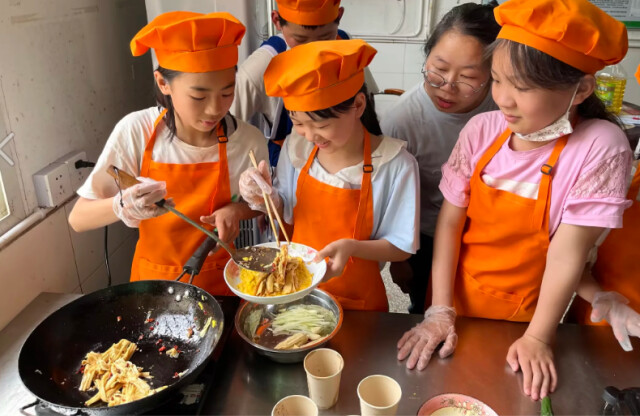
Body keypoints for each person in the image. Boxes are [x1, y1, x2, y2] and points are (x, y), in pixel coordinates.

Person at [396, 0, 632, 401]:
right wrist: (439, 310)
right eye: (498, 81)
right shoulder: (481, 130)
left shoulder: (600, 145)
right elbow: (450, 225)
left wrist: (539, 336)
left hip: (528, 313)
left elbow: (567, 251)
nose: (503, 99)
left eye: (522, 88)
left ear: (582, 89)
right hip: (457, 295)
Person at [68, 12, 269, 295]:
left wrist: (238, 210)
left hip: (223, 287)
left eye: (227, 93)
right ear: (163, 83)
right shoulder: (136, 131)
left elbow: (260, 206)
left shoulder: (248, 141)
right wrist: (121, 205)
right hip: (153, 289)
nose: (215, 109)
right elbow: (78, 218)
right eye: (198, 97)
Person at [239, 39, 419, 311]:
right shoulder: (296, 148)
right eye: (298, 123)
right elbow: (287, 211)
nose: (310, 136)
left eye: (320, 124)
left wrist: (352, 247)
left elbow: (401, 246)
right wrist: (265, 198)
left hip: (359, 305)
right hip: (295, 294)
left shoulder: (395, 164)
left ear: (358, 105)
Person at [381, 1, 500, 314]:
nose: (448, 87)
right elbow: (392, 198)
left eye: (468, 77)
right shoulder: (402, 121)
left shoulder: (505, 110)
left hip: (487, 239)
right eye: (439, 69)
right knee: (426, 308)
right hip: (426, 238)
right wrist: (401, 259)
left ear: (494, 74)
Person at [230, 0, 377, 167]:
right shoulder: (260, 67)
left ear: (339, 16)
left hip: (349, 160)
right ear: (277, 21)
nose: (312, 49)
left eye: (325, 37)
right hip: (288, 166)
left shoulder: (346, 48)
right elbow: (226, 128)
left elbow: (368, 108)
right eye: (300, 39)